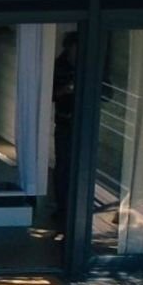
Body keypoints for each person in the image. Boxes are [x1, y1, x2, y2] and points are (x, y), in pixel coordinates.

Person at [52, 32, 78, 216]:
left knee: (80, 164)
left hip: (84, 123)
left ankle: (78, 205)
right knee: (63, 165)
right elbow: (50, 94)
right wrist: (67, 89)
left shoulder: (89, 63)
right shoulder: (58, 66)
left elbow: (107, 93)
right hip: (64, 121)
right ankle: (62, 206)